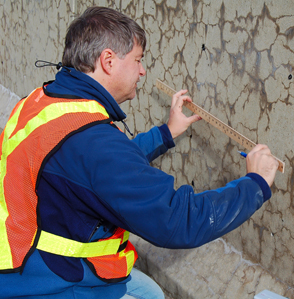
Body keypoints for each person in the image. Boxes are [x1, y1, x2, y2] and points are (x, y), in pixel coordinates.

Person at [0, 6, 279, 299]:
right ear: (108, 61)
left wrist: (165, 133)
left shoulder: (45, 101)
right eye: (137, 60)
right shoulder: (94, 143)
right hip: (55, 281)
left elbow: (99, 170)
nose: (143, 70)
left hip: (23, 254)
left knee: (151, 292)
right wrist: (255, 184)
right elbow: (176, 220)